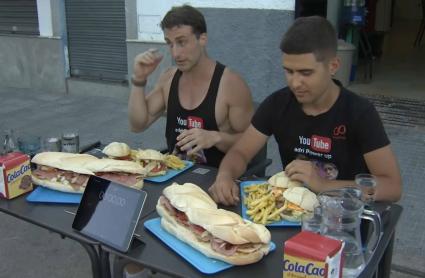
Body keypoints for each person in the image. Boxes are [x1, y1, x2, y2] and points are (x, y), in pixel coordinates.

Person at [209, 16, 402, 206]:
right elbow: (241, 152)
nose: (295, 83)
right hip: (290, 214)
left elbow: (392, 187)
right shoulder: (278, 104)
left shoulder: (359, 113)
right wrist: (225, 176)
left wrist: (324, 185)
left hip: (343, 220)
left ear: (333, 66)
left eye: (306, 73)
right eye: (289, 71)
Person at [128, 5, 254, 168]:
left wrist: (216, 137)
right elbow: (137, 125)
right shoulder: (168, 78)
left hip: (216, 181)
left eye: (181, 42)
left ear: (202, 38)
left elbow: (251, 143)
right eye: (170, 44)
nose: (175, 54)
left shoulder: (231, 84)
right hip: (174, 178)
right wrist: (139, 79)